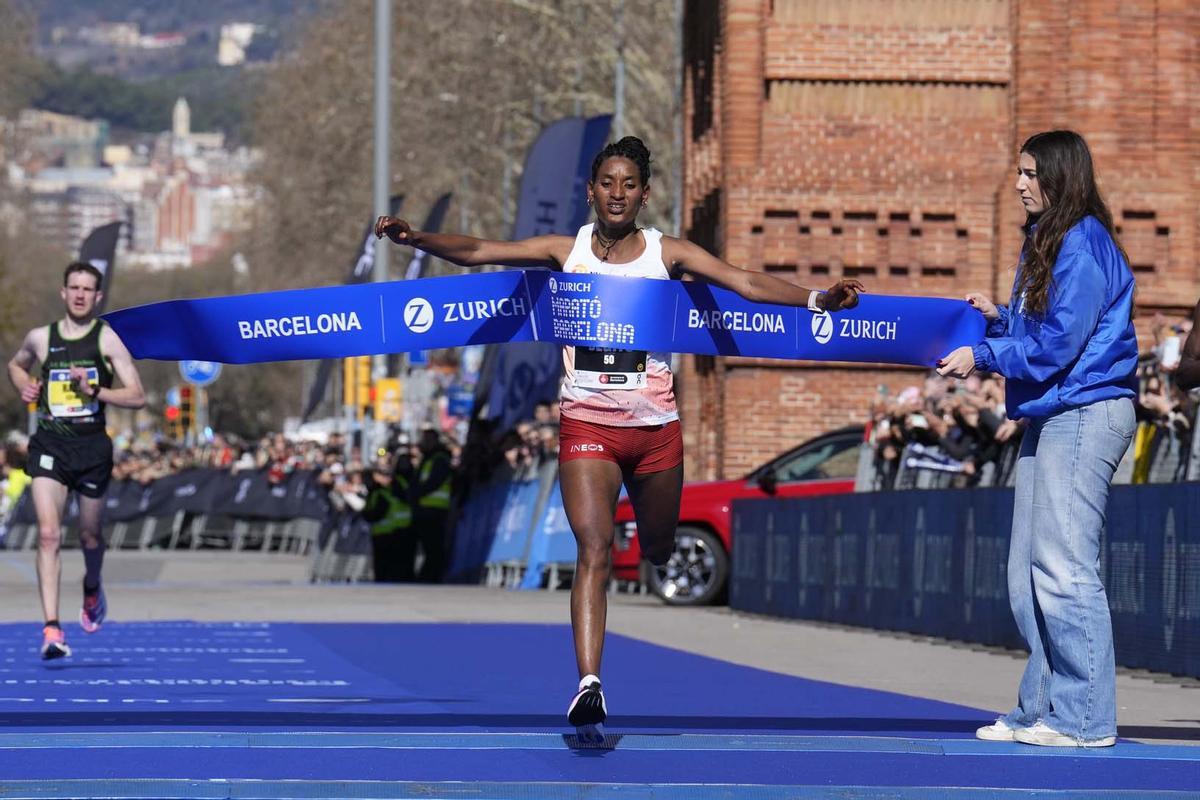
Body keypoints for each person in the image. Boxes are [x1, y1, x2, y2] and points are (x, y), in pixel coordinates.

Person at [375, 136, 862, 737]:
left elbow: (746, 284)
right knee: (595, 549)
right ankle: (589, 685)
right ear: (591, 190)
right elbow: (480, 250)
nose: (617, 193)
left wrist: (817, 299)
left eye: (629, 184)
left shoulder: (667, 253)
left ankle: (653, 551)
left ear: (644, 194)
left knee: (657, 547)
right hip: (587, 423)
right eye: (607, 182)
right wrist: (418, 239)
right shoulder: (567, 250)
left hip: (655, 429)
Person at [937, 130, 1138, 747]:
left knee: (1064, 566)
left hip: (1086, 411)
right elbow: (1050, 325)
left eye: (1030, 173)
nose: (1019, 183)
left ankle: (1083, 718)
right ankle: (1043, 708)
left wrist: (985, 353)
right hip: (1055, 412)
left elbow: (1058, 346)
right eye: (1018, 172)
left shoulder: (1082, 243)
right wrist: (1001, 316)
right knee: (1027, 571)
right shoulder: (1053, 238)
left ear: (1060, 176)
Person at [6, 262, 147, 659]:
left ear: (98, 297)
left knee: (89, 536)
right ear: (63, 292)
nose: (81, 295)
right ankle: (51, 628)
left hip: (91, 448)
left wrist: (97, 389)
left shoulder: (107, 341)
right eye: (75, 287)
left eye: (89, 289)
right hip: (50, 443)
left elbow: (137, 396)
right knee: (49, 535)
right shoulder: (40, 338)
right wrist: (26, 385)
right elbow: (15, 365)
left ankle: (92, 585)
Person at [412, 428, 452, 582]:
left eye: (426, 440)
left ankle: (430, 577)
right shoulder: (428, 459)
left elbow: (434, 481)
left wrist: (417, 493)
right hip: (425, 509)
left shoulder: (439, 458)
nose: (423, 443)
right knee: (430, 548)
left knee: (434, 548)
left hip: (434, 510)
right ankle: (428, 576)